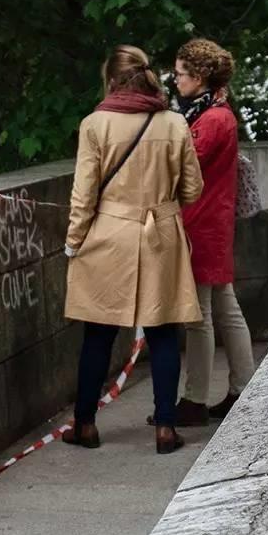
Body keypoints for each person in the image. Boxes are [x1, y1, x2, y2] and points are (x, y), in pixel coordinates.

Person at [63, 45, 202, 454]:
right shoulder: (174, 123)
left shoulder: (94, 124)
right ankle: (164, 429)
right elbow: (193, 189)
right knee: (163, 332)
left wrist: (74, 242)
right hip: (161, 234)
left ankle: (85, 425)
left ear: (111, 80)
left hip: (108, 236)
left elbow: (83, 194)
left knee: (98, 334)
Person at [170, 38, 256, 426]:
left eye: (181, 74)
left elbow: (181, 164)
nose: (175, 81)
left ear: (200, 76)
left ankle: (194, 400)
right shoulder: (217, 113)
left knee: (199, 316)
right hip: (211, 222)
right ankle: (243, 387)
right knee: (225, 307)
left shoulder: (212, 119)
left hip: (201, 223)